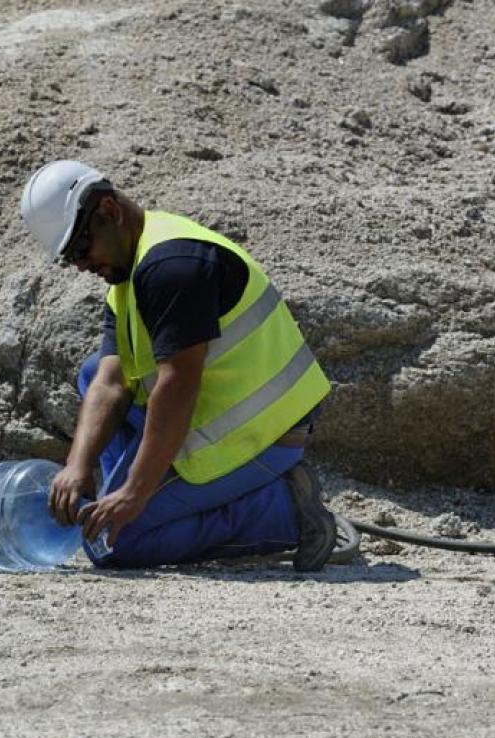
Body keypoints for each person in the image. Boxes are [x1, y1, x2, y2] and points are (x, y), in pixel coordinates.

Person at [19, 159, 337, 571]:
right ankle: (137, 500)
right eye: (69, 257)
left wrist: (134, 493)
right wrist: (77, 465)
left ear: (110, 212)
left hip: (264, 433)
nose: (81, 265)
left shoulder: (171, 267)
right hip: (214, 412)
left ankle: (285, 508)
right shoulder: (130, 270)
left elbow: (179, 384)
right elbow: (109, 381)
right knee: (91, 372)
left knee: (115, 544)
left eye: (81, 248)